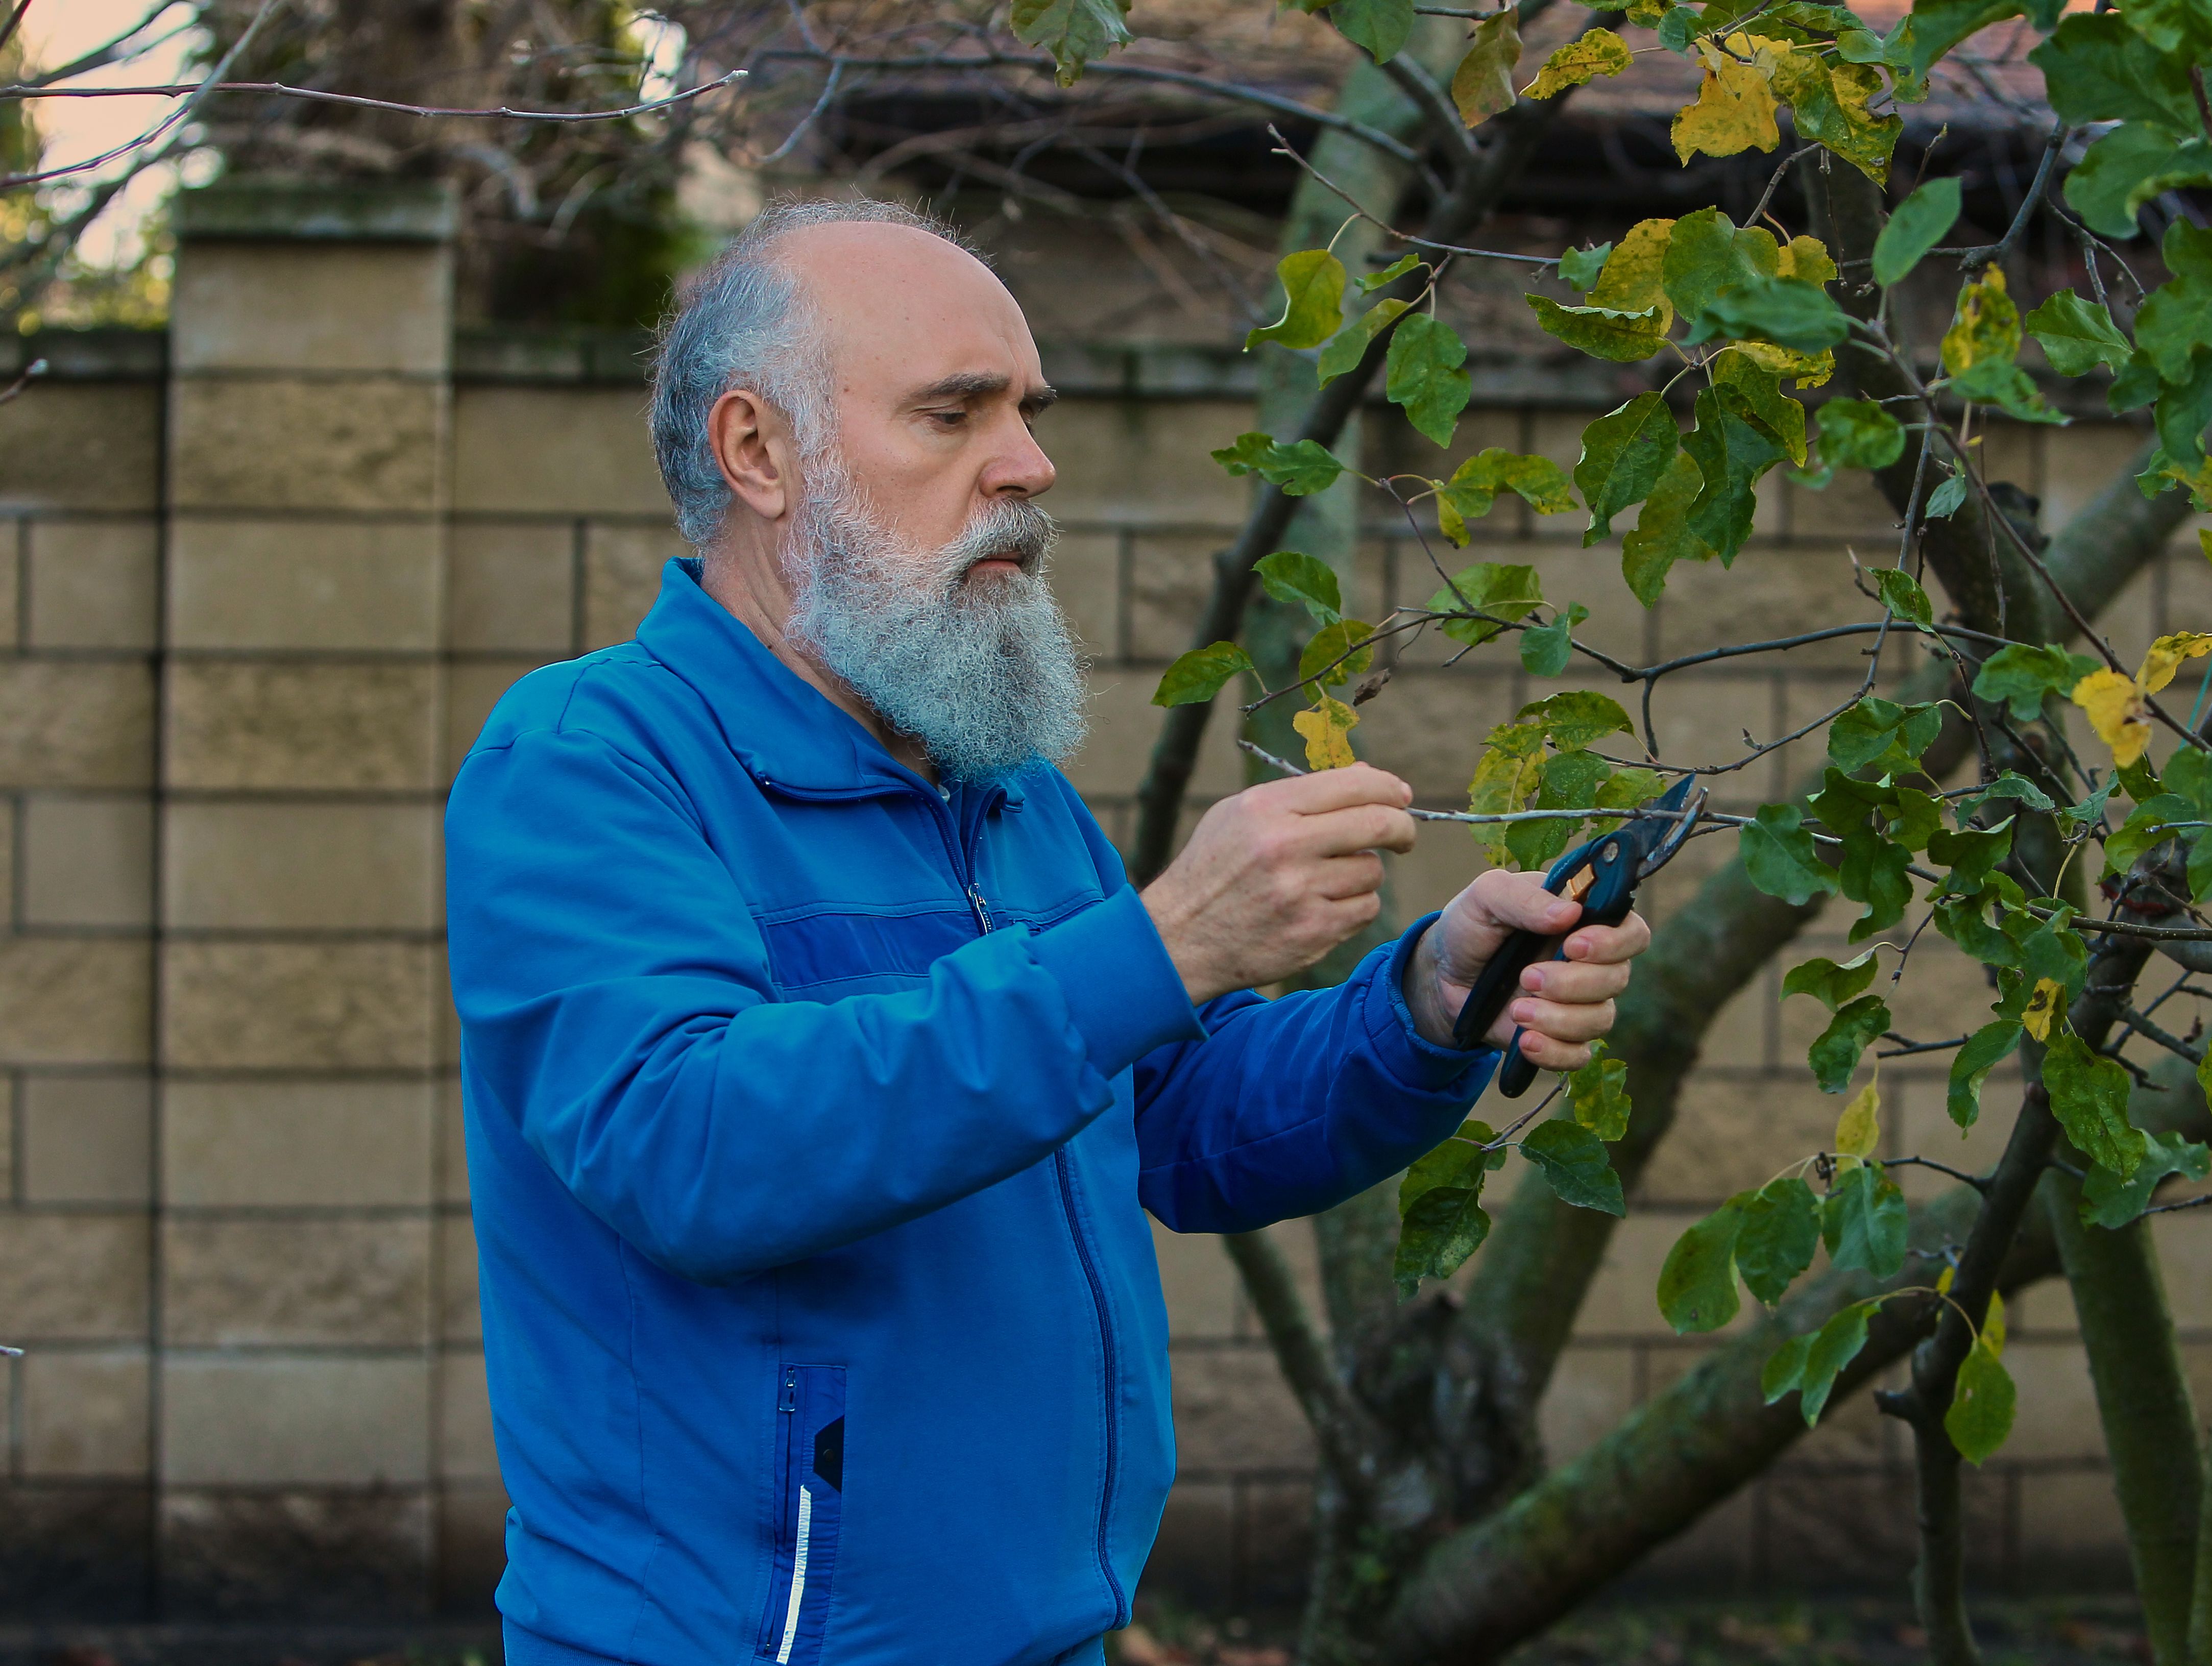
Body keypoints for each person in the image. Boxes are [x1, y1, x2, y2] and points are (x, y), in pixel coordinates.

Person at [445, 198, 1652, 1666]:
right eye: (954, 415)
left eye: (1026, 411)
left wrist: (1422, 1001)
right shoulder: (589, 760)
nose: (1029, 467)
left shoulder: (995, 783)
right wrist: (1162, 948)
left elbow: (1175, 1124)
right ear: (756, 454)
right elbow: (691, 1146)